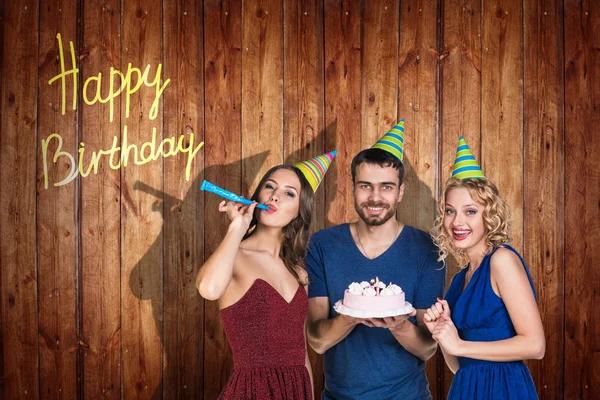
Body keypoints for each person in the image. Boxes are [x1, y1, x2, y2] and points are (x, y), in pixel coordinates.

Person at [305, 120, 445, 399]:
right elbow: (318, 341)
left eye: (386, 187)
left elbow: (428, 348)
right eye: (366, 186)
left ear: (401, 192)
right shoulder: (323, 245)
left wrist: (398, 325)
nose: (375, 197)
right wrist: (352, 314)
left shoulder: (427, 249)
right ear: (354, 188)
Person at [196, 151, 337, 400]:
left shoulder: (299, 272)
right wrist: (238, 227)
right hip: (250, 392)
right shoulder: (235, 255)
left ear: (298, 212)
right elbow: (208, 289)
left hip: (296, 390)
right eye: (269, 187)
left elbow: (300, 352)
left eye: (288, 193)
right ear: (258, 196)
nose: (274, 195)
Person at [424, 136, 545, 399]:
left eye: (470, 211)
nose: (457, 221)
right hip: (467, 389)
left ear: (489, 216)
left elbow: (535, 346)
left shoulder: (502, 261)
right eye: (450, 211)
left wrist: (460, 344)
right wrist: (445, 335)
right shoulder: (459, 279)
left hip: (505, 389)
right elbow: (459, 365)